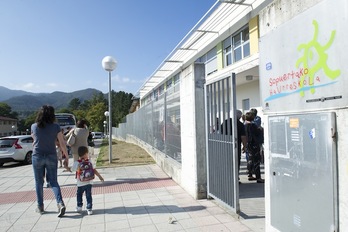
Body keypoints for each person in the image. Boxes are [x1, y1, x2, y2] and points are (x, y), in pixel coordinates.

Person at [31, 105, 69, 217]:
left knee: (39, 182)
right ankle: (60, 203)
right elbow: (62, 143)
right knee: (53, 182)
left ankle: (40, 206)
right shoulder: (56, 126)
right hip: (51, 155)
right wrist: (66, 156)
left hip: (37, 156)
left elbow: (35, 141)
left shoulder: (34, 126)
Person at [71, 146, 104, 215]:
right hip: (89, 182)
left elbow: (72, 170)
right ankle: (89, 209)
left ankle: (79, 206)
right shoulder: (89, 161)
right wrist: (100, 177)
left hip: (80, 183)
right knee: (88, 195)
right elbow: (94, 170)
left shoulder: (77, 162)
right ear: (86, 153)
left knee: (79, 194)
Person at [220, 110, 247, 182]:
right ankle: (235, 178)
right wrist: (244, 146)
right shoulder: (240, 124)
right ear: (239, 116)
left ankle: (226, 178)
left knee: (226, 162)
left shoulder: (225, 122)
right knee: (235, 162)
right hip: (236, 146)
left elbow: (219, 133)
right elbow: (243, 137)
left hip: (224, 145)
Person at [245, 111, 264, 183]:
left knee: (250, 159)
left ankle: (250, 174)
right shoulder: (253, 126)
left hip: (248, 145)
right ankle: (258, 177)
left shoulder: (245, 125)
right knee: (256, 160)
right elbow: (258, 133)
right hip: (254, 144)